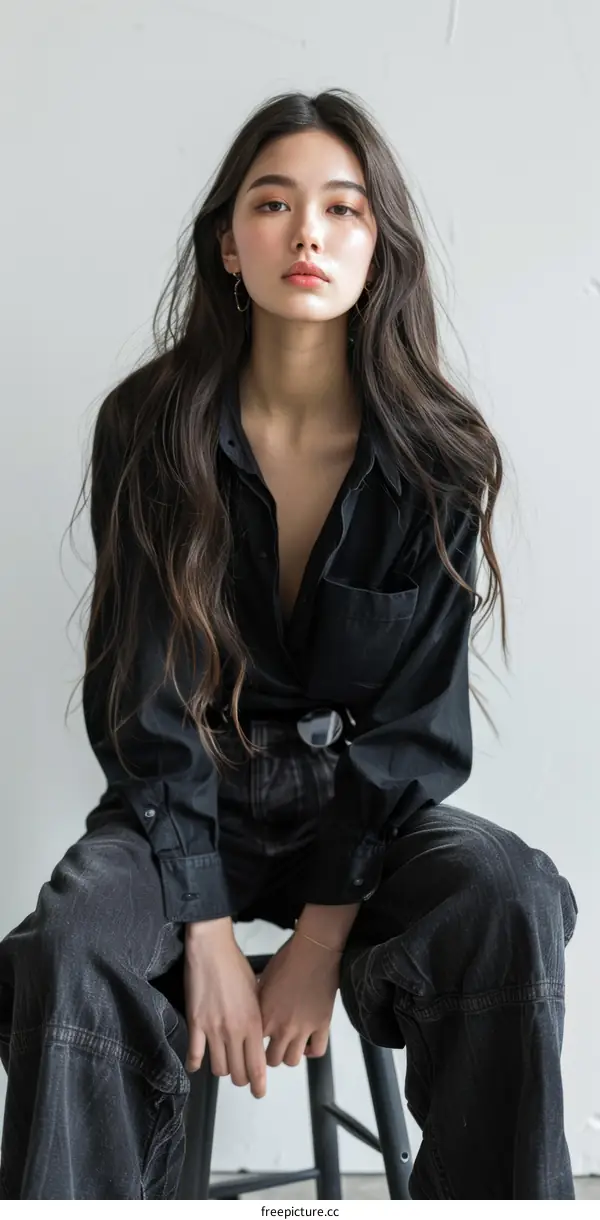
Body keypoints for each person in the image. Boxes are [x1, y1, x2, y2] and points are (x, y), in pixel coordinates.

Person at [0, 88, 578, 1201]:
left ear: (379, 245)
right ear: (229, 241)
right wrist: (206, 924)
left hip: (362, 803)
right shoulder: (149, 425)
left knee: (508, 897)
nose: (307, 232)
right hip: (185, 793)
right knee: (71, 937)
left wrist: (318, 941)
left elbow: (414, 725)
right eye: (273, 203)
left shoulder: (439, 454)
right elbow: (141, 692)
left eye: (342, 208)